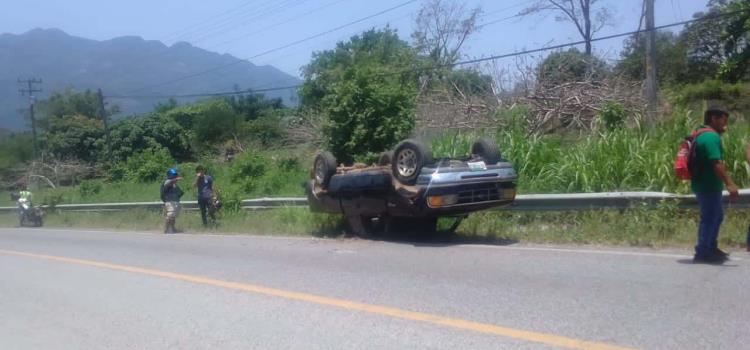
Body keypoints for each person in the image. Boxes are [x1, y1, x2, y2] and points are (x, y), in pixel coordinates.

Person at [691, 107, 739, 263]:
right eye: (723, 120)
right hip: (707, 185)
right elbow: (716, 163)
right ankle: (703, 252)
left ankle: (710, 247)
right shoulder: (711, 137)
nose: (725, 125)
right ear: (713, 118)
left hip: (707, 185)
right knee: (711, 217)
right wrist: (730, 184)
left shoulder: (702, 134)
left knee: (716, 216)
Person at [160, 168, 184, 234]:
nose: (176, 176)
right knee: (170, 215)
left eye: (176, 175)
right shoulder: (167, 181)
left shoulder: (174, 184)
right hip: (169, 201)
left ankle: (173, 228)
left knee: (173, 216)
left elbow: (180, 193)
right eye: (174, 175)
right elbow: (169, 183)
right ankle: (166, 229)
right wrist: (176, 179)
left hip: (175, 201)